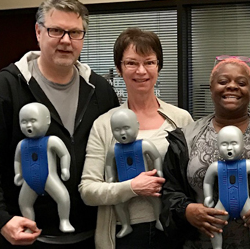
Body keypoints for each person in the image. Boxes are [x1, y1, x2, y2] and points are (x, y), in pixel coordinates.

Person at [0, 0, 119, 247]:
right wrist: (1, 218)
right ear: (38, 31)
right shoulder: (6, 87)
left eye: (75, 32)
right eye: (56, 30)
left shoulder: (101, 90)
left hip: (92, 236)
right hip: (26, 238)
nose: (65, 40)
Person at [160, 55, 250, 249]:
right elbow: (169, 190)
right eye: (223, 81)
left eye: (241, 82)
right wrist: (187, 210)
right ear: (211, 88)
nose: (232, 86)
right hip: (203, 243)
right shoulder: (186, 138)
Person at [78, 27, 194, 249]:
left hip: (173, 229)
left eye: (149, 62)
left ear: (158, 67)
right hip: (125, 235)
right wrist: (131, 187)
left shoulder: (181, 119)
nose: (141, 71)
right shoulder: (104, 124)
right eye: (131, 63)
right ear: (119, 69)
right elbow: (88, 190)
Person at [14, 103, 74, 233]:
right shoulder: (22, 144)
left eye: (33, 120)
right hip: (29, 181)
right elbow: (17, 160)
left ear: (47, 120)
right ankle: (30, 226)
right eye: (24, 122)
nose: (28, 125)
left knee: (63, 197)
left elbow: (64, 154)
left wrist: (65, 169)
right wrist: (18, 174)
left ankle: (64, 221)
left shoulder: (51, 141)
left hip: (49, 178)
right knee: (24, 203)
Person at [105, 108, 163, 238]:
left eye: (126, 128)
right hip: (125, 184)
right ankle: (126, 225)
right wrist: (110, 178)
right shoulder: (113, 149)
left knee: (155, 199)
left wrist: (158, 170)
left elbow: (156, 157)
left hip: (146, 182)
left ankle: (159, 219)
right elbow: (109, 164)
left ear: (137, 126)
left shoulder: (144, 144)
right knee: (119, 205)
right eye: (117, 130)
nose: (122, 133)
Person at [203, 125, 250, 249]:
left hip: (245, 202)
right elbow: (207, 182)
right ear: (217, 146)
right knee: (213, 225)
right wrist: (208, 197)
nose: (229, 148)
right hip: (223, 204)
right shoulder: (215, 167)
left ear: (242, 144)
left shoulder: (248, 165)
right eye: (224, 144)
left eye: (234, 143)